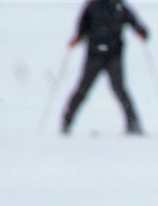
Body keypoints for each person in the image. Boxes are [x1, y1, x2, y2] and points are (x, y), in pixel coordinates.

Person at [61, 0, 147, 136]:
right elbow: (82, 27)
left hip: (114, 55)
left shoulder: (119, 6)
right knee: (83, 89)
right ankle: (66, 122)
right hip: (95, 55)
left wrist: (141, 31)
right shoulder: (93, 6)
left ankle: (133, 124)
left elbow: (134, 22)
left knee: (119, 89)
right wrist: (76, 38)